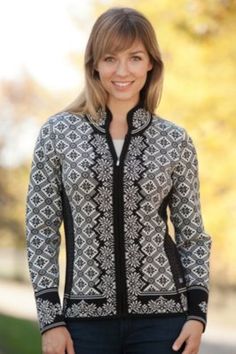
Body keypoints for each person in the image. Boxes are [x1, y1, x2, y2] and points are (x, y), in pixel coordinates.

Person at [25, 6, 212, 354]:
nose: (122, 71)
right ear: (94, 64)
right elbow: (41, 231)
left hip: (164, 324)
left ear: (151, 63)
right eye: (110, 58)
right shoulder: (57, 134)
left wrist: (196, 316)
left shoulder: (175, 140)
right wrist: (50, 320)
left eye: (135, 58)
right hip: (83, 325)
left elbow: (192, 236)